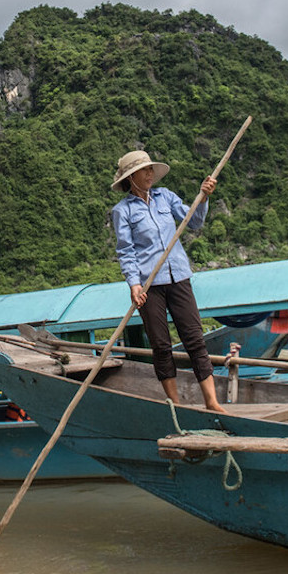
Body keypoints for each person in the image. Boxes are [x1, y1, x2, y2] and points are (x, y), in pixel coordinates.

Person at [110, 150, 224, 412]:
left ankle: (212, 402)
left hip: (178, 276)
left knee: (194, 338)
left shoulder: (166, 196)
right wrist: (134, 285)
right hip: (149, 285)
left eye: (151, 169)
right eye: (144, 171)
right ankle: (175, 404)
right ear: (131, 177)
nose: (150, 174)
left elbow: (193, 221)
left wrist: (204, 196)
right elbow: (126, 251)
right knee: (161, 345)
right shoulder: (123, 211)